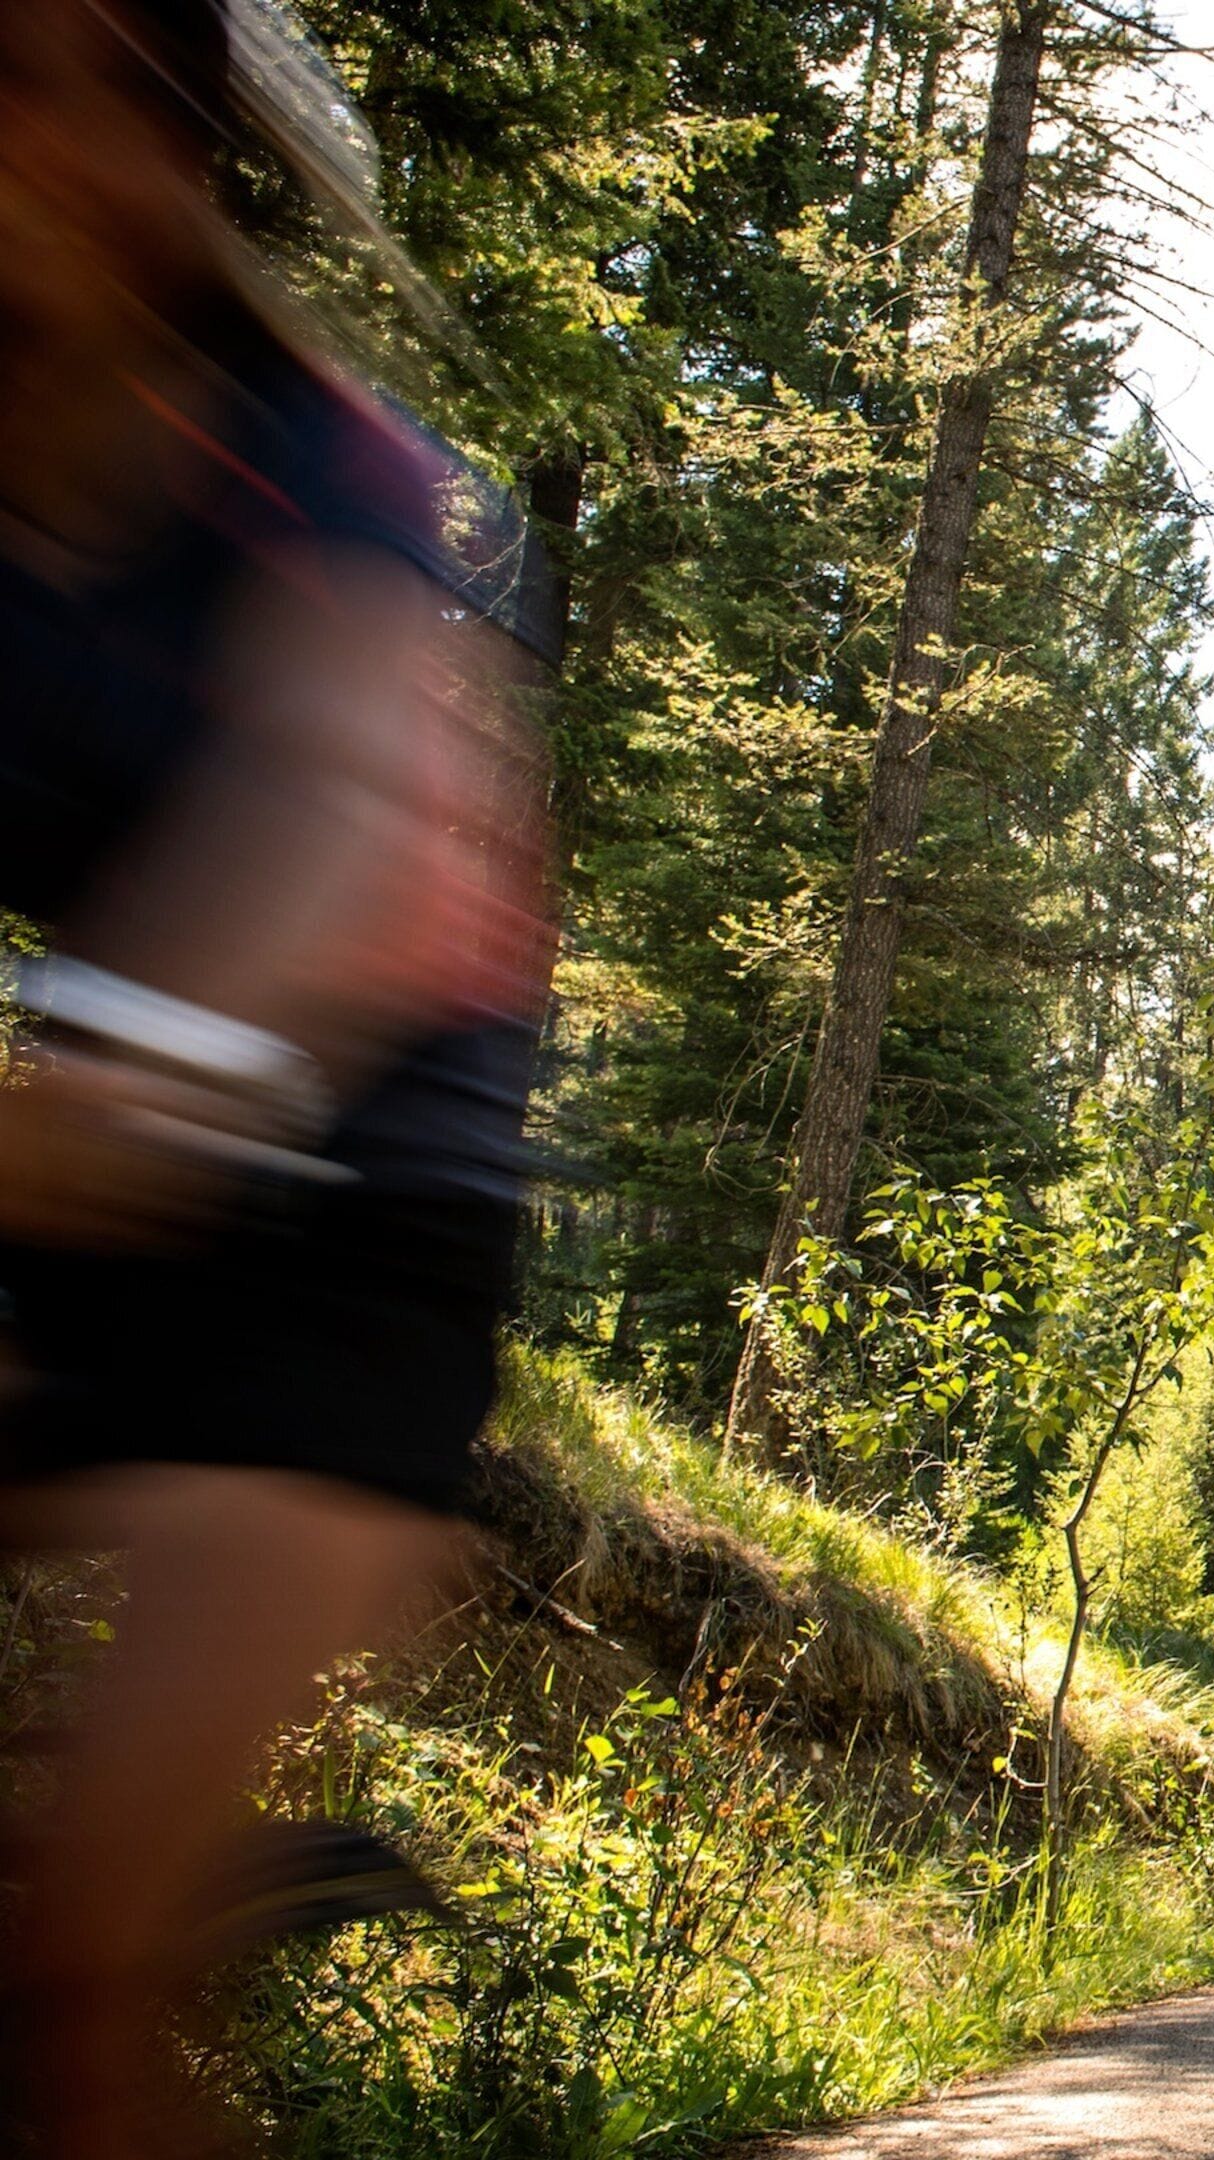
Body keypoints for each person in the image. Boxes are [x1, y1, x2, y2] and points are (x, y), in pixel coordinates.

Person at [0, 3, 554, 2153]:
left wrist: (128, 1075)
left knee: (71, 1985)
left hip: (352, 1243)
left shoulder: (317, 462)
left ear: (178, 167)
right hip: (79, 1211)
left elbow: (329, 814)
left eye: (69, 86)